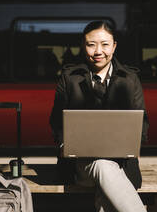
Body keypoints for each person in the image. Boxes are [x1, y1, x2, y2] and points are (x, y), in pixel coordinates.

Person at [50, 21, 149, 212]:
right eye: (91, 44)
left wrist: (131, 141)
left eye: (105, 44)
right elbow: (56, 122)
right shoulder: (69, 78)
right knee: (103, 165)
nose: (98, 51)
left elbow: (143, 125)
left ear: (114, 46)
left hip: (122, 165)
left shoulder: (130, 79)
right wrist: (64, 145)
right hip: (78, 165)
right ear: (83, 46)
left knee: (105, 171)